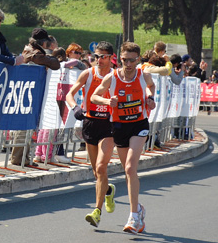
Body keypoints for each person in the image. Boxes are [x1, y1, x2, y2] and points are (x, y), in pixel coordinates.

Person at [91, 42, 156, 234]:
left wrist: (150, 98)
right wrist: (106, 101)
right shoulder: (112, 78)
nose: (128, 63)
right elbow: (94, 96)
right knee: (128, 173)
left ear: (138, 60)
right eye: (124, 60)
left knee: (129, 167)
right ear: (119, 59)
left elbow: (150, 88)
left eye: (132, 60)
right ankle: (139, 208)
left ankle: (134, 217)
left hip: (139, 124)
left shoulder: (143, 75)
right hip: (119, 126)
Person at [66, 41, 117, 228]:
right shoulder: (87, 73)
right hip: (90, 122)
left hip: (109, 124)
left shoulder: (115, 76)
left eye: (103, 56)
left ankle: (97, 211)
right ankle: (108, 190)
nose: (99, 60)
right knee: (96, 172)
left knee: (102, 168)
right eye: (96, 56)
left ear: (111, 57)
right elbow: (69, 95)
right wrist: (75, 107)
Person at [11, 28, 60, 166]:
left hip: (28, 92)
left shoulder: (30, 49)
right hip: (28, 93)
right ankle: (18, 159)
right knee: (23, 127)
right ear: (43, 42)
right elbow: (55, 64)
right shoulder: (36, 53)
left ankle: (23, 158)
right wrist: (52, 58)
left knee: (27, 127)